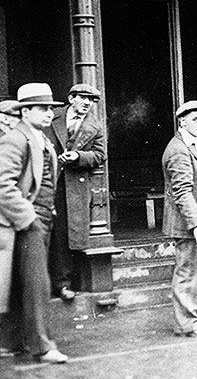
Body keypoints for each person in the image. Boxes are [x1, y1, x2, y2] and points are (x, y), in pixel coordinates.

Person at [0, 83, 68, 363]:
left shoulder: (40, 138)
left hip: (40, 218)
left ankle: (12, 342)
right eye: (42, 109)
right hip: (26, 222)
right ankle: (43, 346)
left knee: (23, 284)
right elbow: (2, 183)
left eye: (51, 109)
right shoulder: (16, 139)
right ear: (25, 111)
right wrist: (28, 219)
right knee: (38, 284)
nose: (49, 114)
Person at [44, 83, 106, 301]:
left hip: (72, 187)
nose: (88, 103)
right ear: (71, 98)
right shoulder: (51, 115)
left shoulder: (95, 126)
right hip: (44, 181)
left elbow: (99, 155)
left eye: (92, 100)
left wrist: (78, 157)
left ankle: (63, 284)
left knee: (64, 234)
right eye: (83, 98)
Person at [162, 100, 197, 337]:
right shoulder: (179, 149)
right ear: (182, 121)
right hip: (189, 224)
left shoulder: (195, 146)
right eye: (195, 119)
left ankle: (194, 318)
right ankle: (188, 323)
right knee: (188, 272)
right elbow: (182, 191)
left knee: (195, 271)